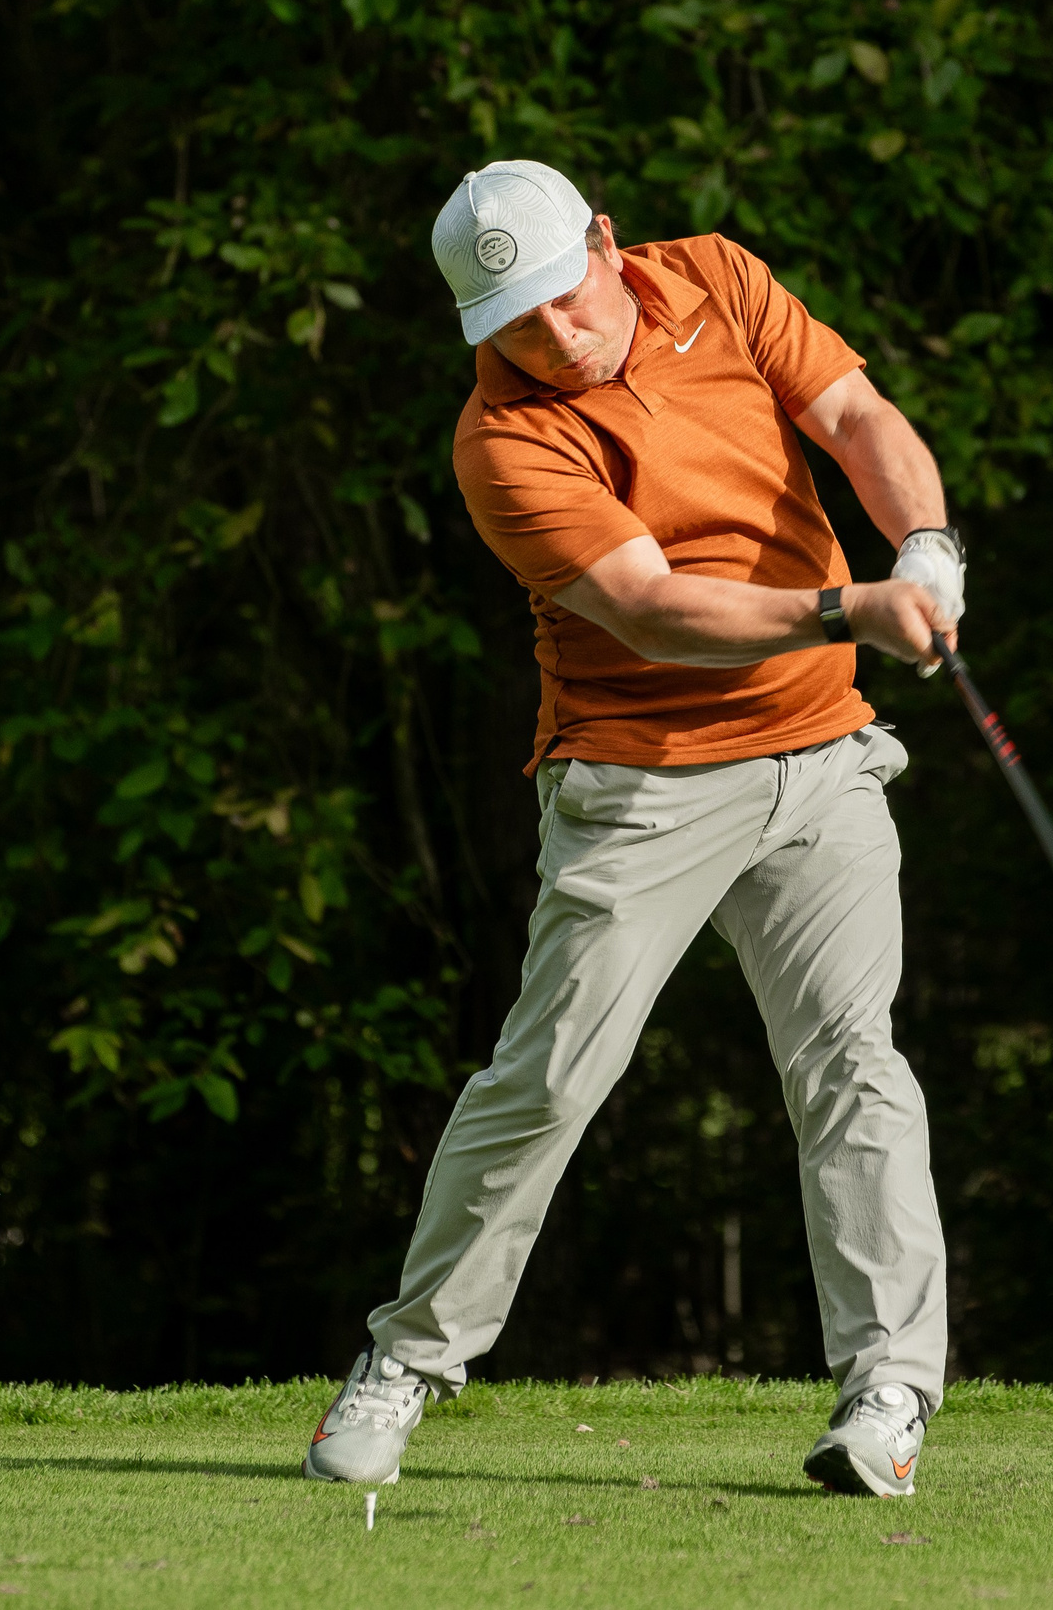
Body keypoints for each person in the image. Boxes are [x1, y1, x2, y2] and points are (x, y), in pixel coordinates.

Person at [304, 160, 965, 1498]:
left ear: (605, 242)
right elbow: (654, 606)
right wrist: (852, 608)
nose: (547, 338)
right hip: (640, 778)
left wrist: (929, 546)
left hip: (822, 754)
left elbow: (853, 409)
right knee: (550, 1074)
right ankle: (409, 1361)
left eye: (558, 298)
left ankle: (887, 1391)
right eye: (512, 323)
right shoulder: (502, 439)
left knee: (853, 1064)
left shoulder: (713, 275)